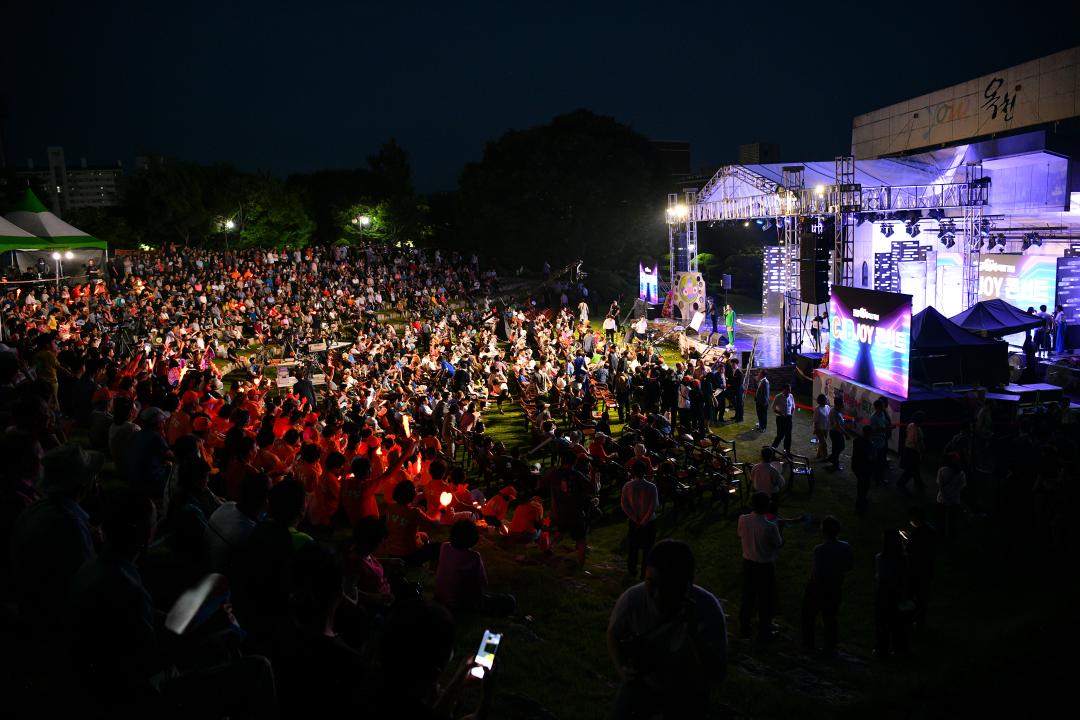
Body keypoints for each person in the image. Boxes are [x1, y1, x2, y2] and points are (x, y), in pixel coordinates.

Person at [607, 540, 727, 719]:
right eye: (650, 582)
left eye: (667, 587)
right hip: (645, 684)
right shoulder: (633, 600)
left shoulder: (707, 608)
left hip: (690, 694)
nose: (656, 595)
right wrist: (622, 668)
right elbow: (613, 635)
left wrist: (693, 634)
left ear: (687, 584)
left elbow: (717, 673)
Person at [435, 518, 515, 615]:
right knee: (509, 600)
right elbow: (481, 583)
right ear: (473, 538)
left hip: (440, 598)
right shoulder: (474, 557)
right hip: (461, 605)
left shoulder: (444, 546)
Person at [801, 516, 853, 658]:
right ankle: (830, 647)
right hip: (835, 586)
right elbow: (849, 566)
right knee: (830, 617)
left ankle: (808, 645)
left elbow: (816, 572)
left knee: (809, 616)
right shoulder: (846, 547)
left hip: (818, 587)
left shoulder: (819, 550)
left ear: (823, 531)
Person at [737, 492, 783, 640]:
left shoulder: (742, 519)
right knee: (766, 598)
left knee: (748, 595)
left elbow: (740, 535)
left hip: (748, 563)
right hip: (765, 566)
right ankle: (765, 629)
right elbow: (778, 543)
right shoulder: (770, 526)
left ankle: (744, 625)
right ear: (766, 506)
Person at [620, 461, 659, 580]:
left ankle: (632, 570)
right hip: (649, 522)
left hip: (634, 521)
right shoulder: (651, 486)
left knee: (633, 547)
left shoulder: (628, 486)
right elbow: (653, 506)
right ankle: (644, 573)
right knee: (647, 549)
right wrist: (644, 520)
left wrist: (634, 518)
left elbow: (624, 505)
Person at [874, 528, 908, 658]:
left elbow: (880, 577)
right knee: (898, 622)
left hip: (884, 591)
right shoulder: (903, 559)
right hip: (898, 591)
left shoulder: (880, 558)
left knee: (882, 621)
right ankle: (898, 649)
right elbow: (905, 577)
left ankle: (882, 648)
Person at [905, 506, 937, 631]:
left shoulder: (917, 533)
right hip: (928, 568)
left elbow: (910, 550)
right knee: (923, 596)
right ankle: (920, 621)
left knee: (912, 595)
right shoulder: (931, 530)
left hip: (916, 569)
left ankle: (910, 619)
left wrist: (907, 542)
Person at [935, 452, 966, 542]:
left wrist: (945, 494)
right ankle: (951, 538)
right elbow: (962, 487)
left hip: (941, 499)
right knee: (952, 521)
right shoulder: (961, 473)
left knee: (941, 520)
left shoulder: (942, 470)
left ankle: (940, 537)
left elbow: (940, 485)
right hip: (955, 501)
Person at [897, 411, 926, 492]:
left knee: (914, 469)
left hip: (908, 449)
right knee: (911, 470)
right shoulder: (917, 430)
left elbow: (908, 435)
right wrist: (921, 452)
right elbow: (917, 443)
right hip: (913, 451)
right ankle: (901, 483)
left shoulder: (911, 425)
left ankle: (919, 483)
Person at [770, 383, 794, 453]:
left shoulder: (791, 396)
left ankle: (787, 451)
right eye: (787, 390)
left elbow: (793, 406)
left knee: (788, 436)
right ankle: (772, 449)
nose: (789, 392)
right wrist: (781, 414)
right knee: (780, 435)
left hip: (788, 418)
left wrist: (791, 415)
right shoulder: (778, 397)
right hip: (780, 419)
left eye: (790, 390)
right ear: (783, 390)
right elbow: (773, 408)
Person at [827, 394, 846, 471]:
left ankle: (832, 459)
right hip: (836, 433)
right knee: (838, 447)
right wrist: (846, 434)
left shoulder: (836, 411)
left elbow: (839, 422)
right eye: (842, 403)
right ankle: (834, 463)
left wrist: (846, 421)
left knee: (838, 448)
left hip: (836, 432)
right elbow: (837, 425)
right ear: (839, 404)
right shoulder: (835, 412)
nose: (843, 404)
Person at [811, 393, 830, 460]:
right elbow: (815, 421)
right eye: (825, 399)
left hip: (825, 428)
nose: (827, 400)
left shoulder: (827, 407)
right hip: (819, 429)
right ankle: (825, 457)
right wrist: (815, 429)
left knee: (822, 443)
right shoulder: (817, 409)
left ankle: (818, 454)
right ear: (822, 400)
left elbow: (828, 418)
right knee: (824, 444)